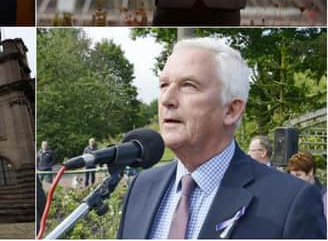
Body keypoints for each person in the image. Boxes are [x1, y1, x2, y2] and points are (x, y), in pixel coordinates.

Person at [118, 38, 326, 239]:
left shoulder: (290, 202)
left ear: (232, 110)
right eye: (163, 85)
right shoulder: (142, 187)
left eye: (188, 85)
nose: (167, 99)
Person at [288, 151, 326, 216]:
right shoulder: (291, 194)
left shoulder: (324, 195)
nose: (294, 180)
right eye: (292, 176)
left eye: (298, 175)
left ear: (310, 172)